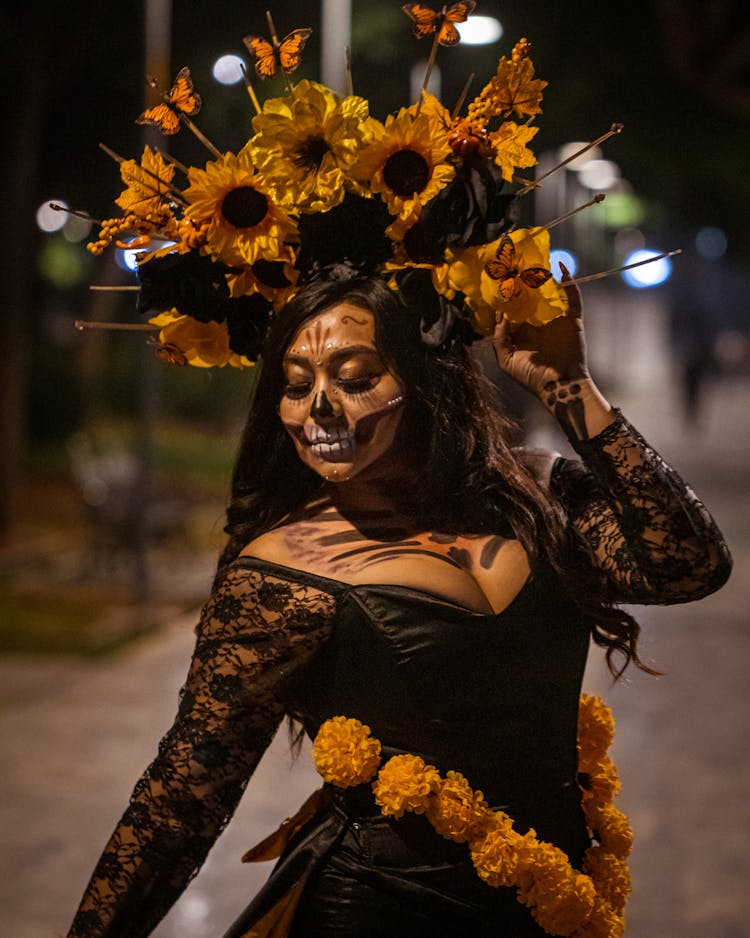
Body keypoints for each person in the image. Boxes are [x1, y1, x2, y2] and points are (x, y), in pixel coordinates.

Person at [66, 270, 731, 938]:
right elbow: (181, 801)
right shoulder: (282, 570)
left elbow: (689, 564)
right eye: (296, 385)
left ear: (426, 382)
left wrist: (569, 384)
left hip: (550, 907)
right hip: (370, 912)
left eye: (355, 377)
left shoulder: (536, 496)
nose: (319, 405)